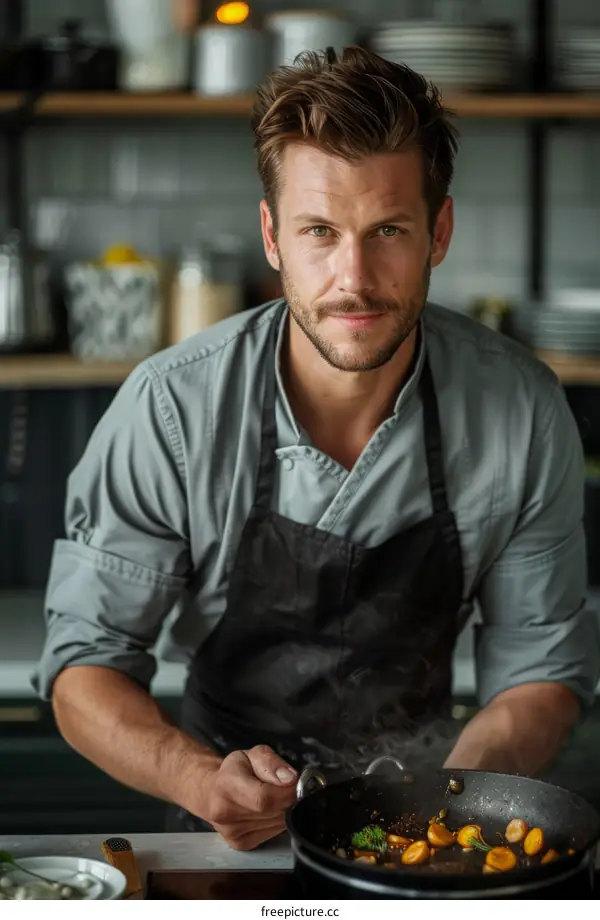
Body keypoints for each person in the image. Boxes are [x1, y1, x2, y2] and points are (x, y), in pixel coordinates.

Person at [34, 47, 599, 851]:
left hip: (428, 829)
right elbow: (83, 671)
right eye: (320, 232)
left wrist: (449, 807)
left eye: (388, 230)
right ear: (273, 236)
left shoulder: (522, 411)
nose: (353, 278)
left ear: (438, 232)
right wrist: (201, 780)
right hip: (220, 831)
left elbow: (541, 672)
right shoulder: (171, 408)